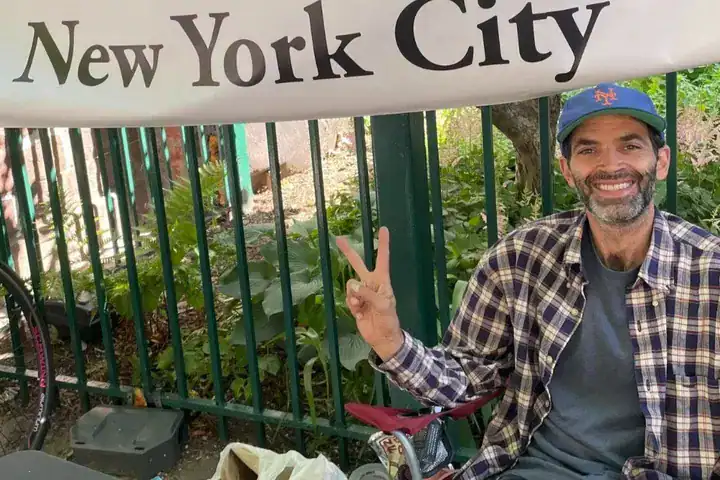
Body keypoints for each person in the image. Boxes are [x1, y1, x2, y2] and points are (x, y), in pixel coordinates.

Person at [336, 83, 720, 480]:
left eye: (630, 146)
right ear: (567, 171)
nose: (611, 165)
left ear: (661, 161)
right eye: (589, 150)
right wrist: (391, 342)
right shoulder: (521, 259)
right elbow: (466, 377)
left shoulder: (710, 272)